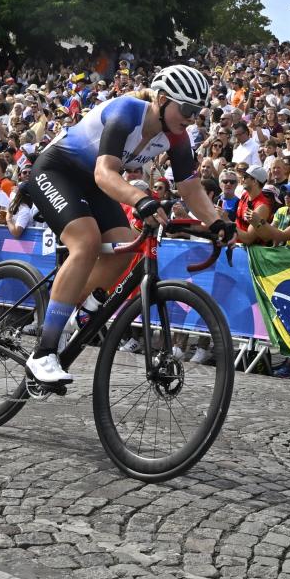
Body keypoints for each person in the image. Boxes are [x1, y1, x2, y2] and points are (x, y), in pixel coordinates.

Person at [19, 65, 227, 386]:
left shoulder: (177, 137)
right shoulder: (126, 111)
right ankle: (44, 351)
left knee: (125, 245)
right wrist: (139, 200)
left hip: (93, 185)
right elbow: (105, 173)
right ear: (162, 99)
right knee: (86, 242)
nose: (191, 117)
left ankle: (78, 312)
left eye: (197, 111)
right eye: (186, 108)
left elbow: (190, 187)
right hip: (57, 171)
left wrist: (215, 223)